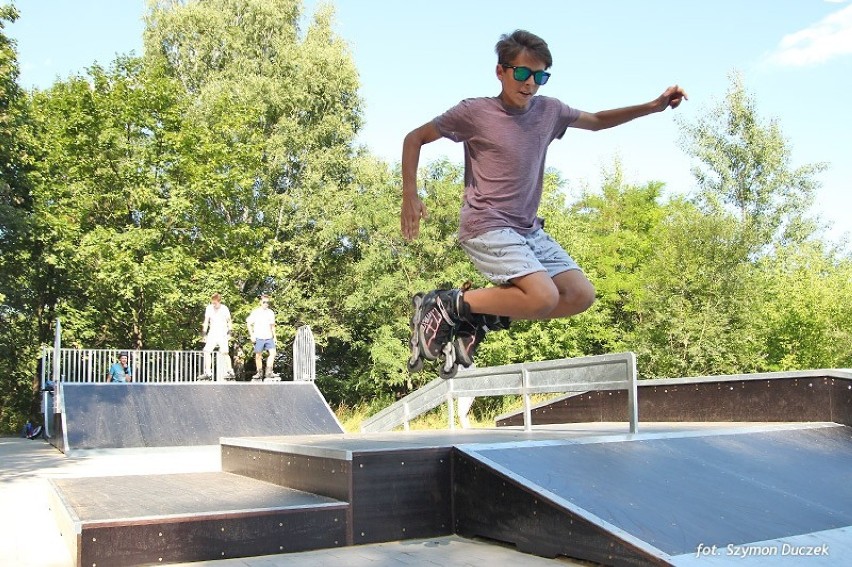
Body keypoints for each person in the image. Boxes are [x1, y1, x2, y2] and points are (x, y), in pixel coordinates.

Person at [401, 30, 687, 378]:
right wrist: (410, 195)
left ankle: (476, 314)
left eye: (540, 76)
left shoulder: (549, 111)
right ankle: (448, 303)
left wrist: (653, 106)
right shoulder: (474, 112)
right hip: (486, 224)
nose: (530, 84)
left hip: (527, 229)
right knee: (543, 297)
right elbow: (414, 138)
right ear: (501, 72)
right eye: (522, 74)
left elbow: (596, 121)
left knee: (580, 295)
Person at [200, 292, 234, 381]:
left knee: (225, 352)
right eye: (212, 303)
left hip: (222, 333)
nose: (213, 305)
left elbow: (229, 321)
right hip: (212, 333)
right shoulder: (209, 308)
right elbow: (206, 321)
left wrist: (230, 333)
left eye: (215, 303)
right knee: (207, 351)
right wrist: (204, 334)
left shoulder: (224, 309)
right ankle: (208, 372)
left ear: (219, 301)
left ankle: (230, 371)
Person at [246, 294, 277, 381]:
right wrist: (251, 334)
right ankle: (259, 372)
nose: (266, 304)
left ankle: (269, 371)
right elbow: (248, 323)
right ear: (261, 302)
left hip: (268, 337)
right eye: (264, 302)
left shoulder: (270, 312)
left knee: (273, 353)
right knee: (258, 355)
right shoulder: (256, 312)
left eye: (267, 302)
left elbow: (272, 325)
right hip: (259, 337)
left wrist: (275, 337)